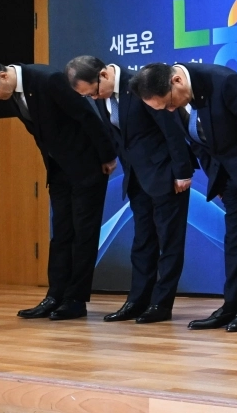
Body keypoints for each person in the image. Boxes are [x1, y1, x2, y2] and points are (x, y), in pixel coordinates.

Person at [129, 62, 237, 332]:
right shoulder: (169, 100)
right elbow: (197, 142)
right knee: (235, 240)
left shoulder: (224, 82)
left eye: (169, 104)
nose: (169, 110)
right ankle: (231, 306)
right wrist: (217, 180)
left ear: (177, 81)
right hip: (229, 174)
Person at [0, 58, 116, 320]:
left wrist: (108, 156)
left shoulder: (48, 79)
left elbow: (87, 116)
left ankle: (76, 300)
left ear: (1, 77)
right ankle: (55, 295)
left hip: (87, 167)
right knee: (61, 234)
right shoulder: (12, 93)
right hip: (58, 171)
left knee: (84, 234)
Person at [66, 56, 196, 324]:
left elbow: (171, 128)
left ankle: (161, 304)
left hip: (166, 175)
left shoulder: (141, 83)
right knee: (142, 243)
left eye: (92, 91)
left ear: (103, 75)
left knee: (169, 243)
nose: (92, 98)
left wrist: (183, 171)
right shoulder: (102, 99)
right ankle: (137, 301)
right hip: (137, 179)